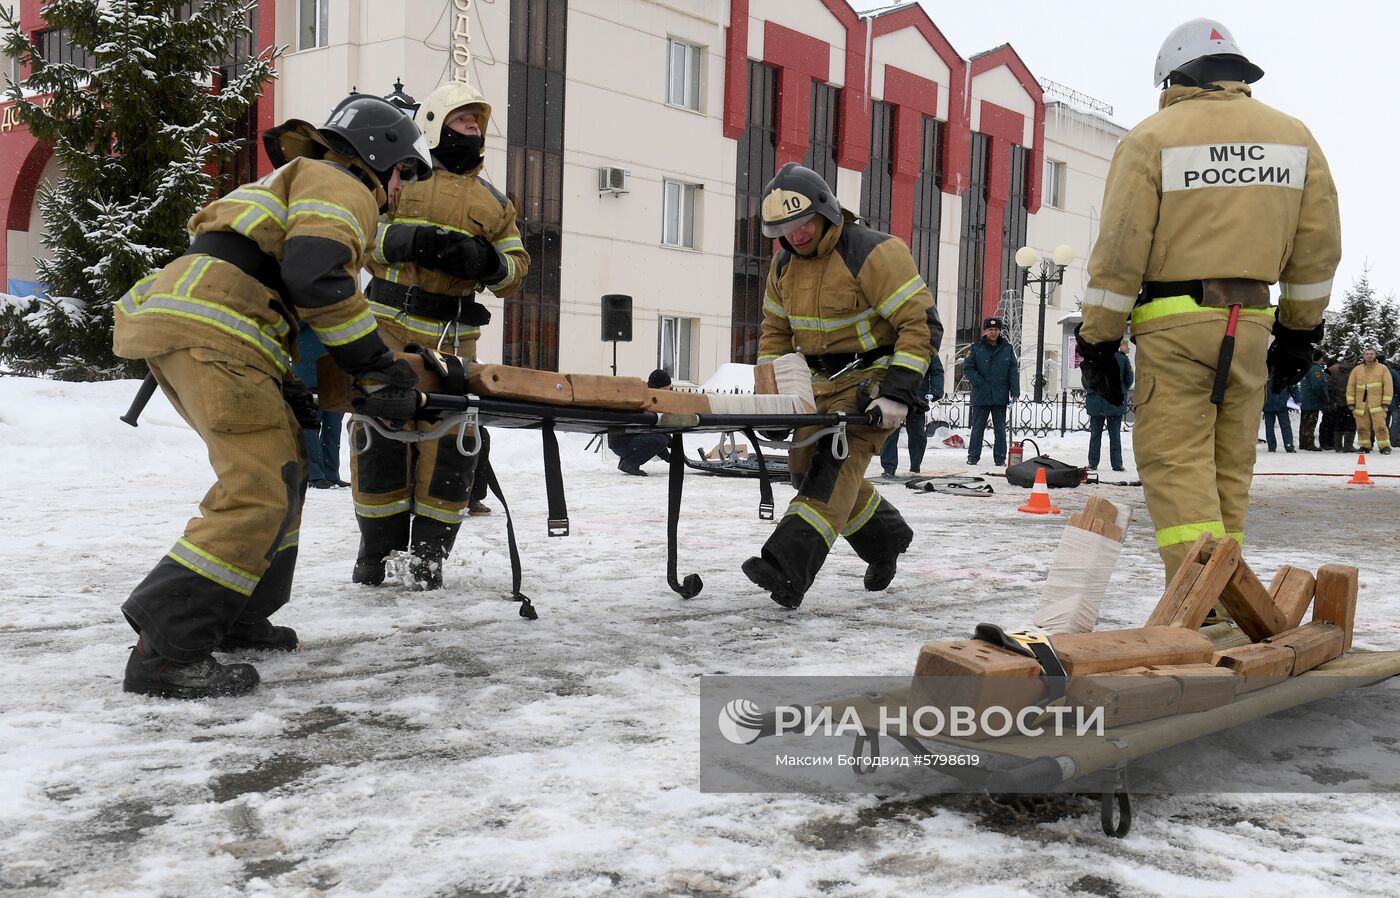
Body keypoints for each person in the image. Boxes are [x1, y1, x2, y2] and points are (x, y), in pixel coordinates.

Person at [113, 94, 433, 698]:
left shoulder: (301, 178)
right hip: (217, 333)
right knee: (256, 489)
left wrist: (287, 383)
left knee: (282, 473)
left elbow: (274, 274)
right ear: (377, 154)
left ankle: (234, 614)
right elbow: (318, 277)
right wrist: (377, 366)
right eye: (401, 172)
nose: (398, 188)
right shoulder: (341, 183)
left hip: (211, 326)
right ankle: (167, 649)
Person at [1076, 18, 1341, 583]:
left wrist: (1097, 340)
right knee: (1227, 473)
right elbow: (1318, 249)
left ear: (1175, 75)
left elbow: (1120, 252)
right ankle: (1228, 595)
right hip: (1251, 325)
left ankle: (1209, 606)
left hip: (1174, 328)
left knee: (1177, 466)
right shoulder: (1295, 138)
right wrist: (1298, 332)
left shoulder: (1152, 138)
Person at [352, 80, 530, 590]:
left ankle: (430, 554)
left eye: (477, 123)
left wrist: (488, 260)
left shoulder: (495, 202)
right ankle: (377, 550)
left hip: (454, 344)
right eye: (463, 120)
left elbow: (517, 269)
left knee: (450, 446)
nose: (474, 130)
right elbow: (359, 230)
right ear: (434, 123)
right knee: (379, 436)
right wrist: (408, 239)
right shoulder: (399, 176)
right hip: (385, 330)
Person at [741, 162, 939, 609]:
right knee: (803, 474)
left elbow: (920, 325)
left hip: (872, 381)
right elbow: (774, 332)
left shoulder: (874, 252)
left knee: (832, 474)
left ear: (827, 210)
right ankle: (886, 538)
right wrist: (773, 395)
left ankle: (786, 569)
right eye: (785, 229)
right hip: (818, 385)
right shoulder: (783, 267)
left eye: (803, 222)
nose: (797, 234)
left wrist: (897, 391)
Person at [293, 323, 348, 488]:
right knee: (310, 428)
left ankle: (331, 474)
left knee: (333, 428)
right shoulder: (300, 309)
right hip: (308, 378)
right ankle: (314, 475)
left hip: (335, 377)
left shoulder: (335, 309)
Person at [964, 317, 1020, 467]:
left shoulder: (1007, 349)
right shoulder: (976, 348)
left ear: (1000, 331)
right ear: (986, 331)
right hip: (981, 395)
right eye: (990, 330)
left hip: (1000, 395)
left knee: (1000, 429)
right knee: (977, 428)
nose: (993, 332)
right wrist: (979, 381)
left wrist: (1015, 392)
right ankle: (973, 457)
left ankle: (1000, 458)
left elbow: (1013, 371)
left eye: (996, 330)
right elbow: (967, 368)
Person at [879, 355, 945, 476]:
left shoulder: (926, 346)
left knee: (917, 433)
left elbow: (936, 370)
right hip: (895, 392)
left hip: (917, 394)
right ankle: (889, 468)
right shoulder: (895, 342)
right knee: (891, 430)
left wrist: (936, 391)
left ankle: (915, 466)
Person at [608, 369, 675, 475]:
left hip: (622, 441)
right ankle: (629, 464)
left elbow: (652, 430)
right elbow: (652, 430)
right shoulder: (648, 400)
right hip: (622, 443)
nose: (668, 390)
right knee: (661, 440)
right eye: (666, 388)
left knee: (661, 439)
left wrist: (670, 452)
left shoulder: (647, 395)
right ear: (658, 387)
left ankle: (627, 460)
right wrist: (669, 453)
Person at [1083, 340, 1133, 471]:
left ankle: (1093, 463)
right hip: (1114, 401)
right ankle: (1116, 463)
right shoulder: (1121, 359)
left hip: (1097, 401)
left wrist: (1093, 391)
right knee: (1115, 435)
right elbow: (1129, 378)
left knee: (1095, 435)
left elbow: (1086, 378)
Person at [1346, 347, 1394, 454]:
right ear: (1363, 356)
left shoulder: (1383, 369)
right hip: (1361, 404)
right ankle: (1364, 446)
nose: (1369, 356)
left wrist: (1386, 402)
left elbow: (1388, 386)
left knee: (1381, 427)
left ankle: (1384, 446)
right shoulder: (1357, 370)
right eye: (1367, 354)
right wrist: (1351, 402)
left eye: (1371, 354)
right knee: (1362, 427)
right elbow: (1350, 387)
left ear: (1375, 355)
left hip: (1378, 404)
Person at [1297, 351, 1328, 451]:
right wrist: (1324, 397)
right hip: (1312, 400)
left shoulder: (1306, 367)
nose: (1322, 360)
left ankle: (1303, 442)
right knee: (1310, 422)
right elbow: (1318, 385)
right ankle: (1308, 443)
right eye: (1321, 358)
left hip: (1306, 399)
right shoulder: (1316, 369)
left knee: (1304, 421)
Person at [1261, 372, 1300, 452]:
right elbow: (1292, 386)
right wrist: (1298, 399)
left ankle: (1273, 446)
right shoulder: (1284, 372)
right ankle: (1288, 445)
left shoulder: (1265, 372)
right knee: (1284, 426)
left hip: (1270, 404)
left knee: (1270, 427)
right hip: (1279, 403)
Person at [1323, 359, 1354, 452]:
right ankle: (1348, 446)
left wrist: (1332, 402)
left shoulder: (1335, 373)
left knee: (1339, 424)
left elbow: (1331, 389)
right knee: (1350, 424)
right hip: (1351, 402)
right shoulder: (1354, 372)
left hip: (1339, 402)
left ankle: (1338, 445)